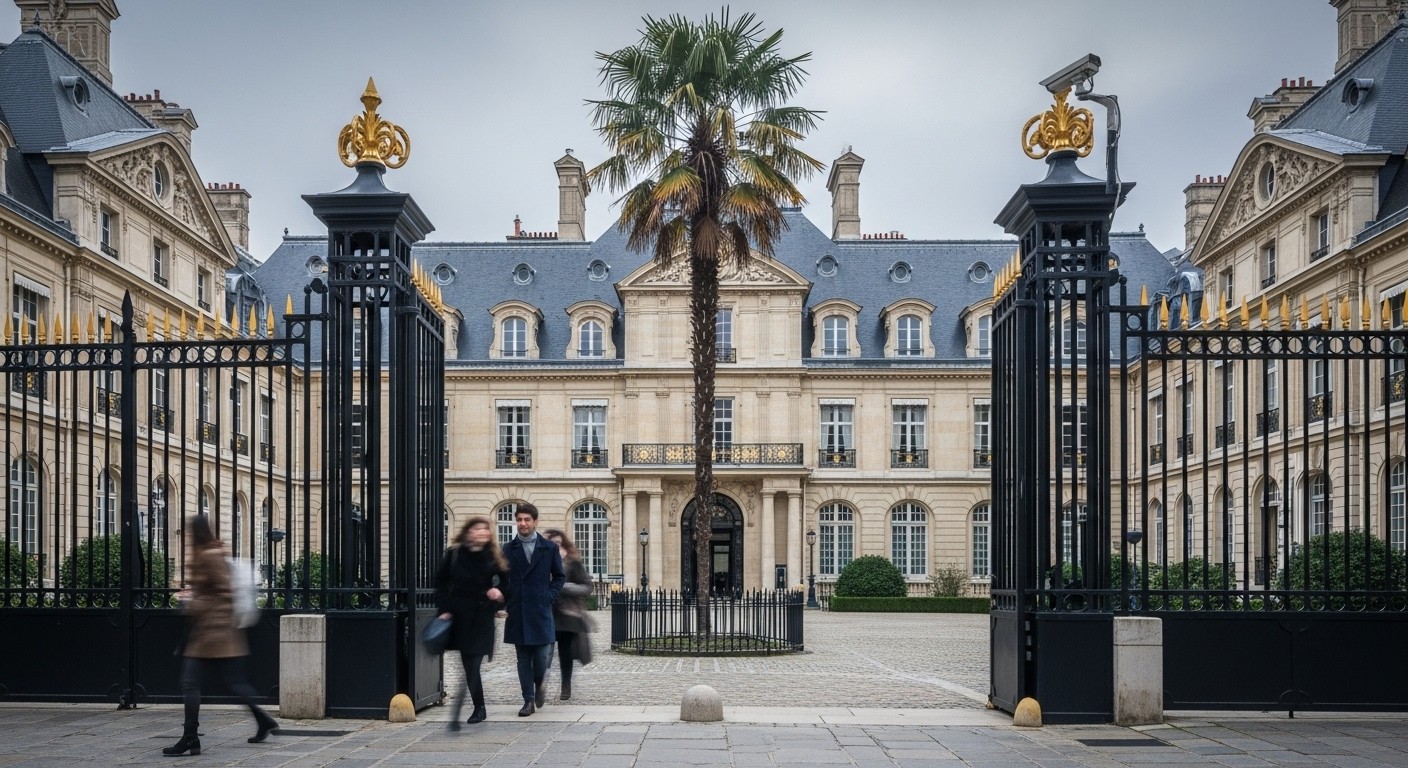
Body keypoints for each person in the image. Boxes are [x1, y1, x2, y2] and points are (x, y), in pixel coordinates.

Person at [163, 514, 278, 757]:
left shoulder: (209, 556)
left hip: (213, 633)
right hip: (215, 633)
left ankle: (190, 737)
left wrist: (194, 605)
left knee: (191, 682)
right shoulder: (210, 553)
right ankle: (263, 720)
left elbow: (224, 593)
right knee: (233, 684)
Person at [433, 515, 509, 730]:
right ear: (468, 532)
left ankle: (475, 708)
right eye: (477, 529)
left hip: (482, 617)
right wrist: (445, 609)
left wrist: (499, 594)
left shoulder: (494, 557)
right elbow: (440, 582)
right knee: (468, 665)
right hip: (460, 617)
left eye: (485, 530)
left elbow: (507, 584)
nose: (482, 533)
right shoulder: (454, 555)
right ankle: (477, 707)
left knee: (472, 664)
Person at [501, 503, 565, 716]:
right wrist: (504, 601)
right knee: (522, 659)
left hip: (540, 609)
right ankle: (528, 700)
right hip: (518, 611)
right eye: (519, 520)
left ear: (535, 521)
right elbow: (500, 579)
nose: (523, 523)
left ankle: (540, 684)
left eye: (527, 520)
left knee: (540, 658)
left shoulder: (549, 548)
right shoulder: (508, 549)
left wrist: (549, 596)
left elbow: (559, 576)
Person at [542, 528, 594, 701]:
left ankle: (566, 685)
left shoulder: (572, 563)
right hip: (546, 612)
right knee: (544, 652)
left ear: (562, 543)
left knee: (565, 654)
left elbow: (587, 586)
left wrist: (564, 587)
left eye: (556, 543)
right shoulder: (540, 560)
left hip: (567, 615)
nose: (553, 546)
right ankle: (541, 683)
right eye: (550, 543)